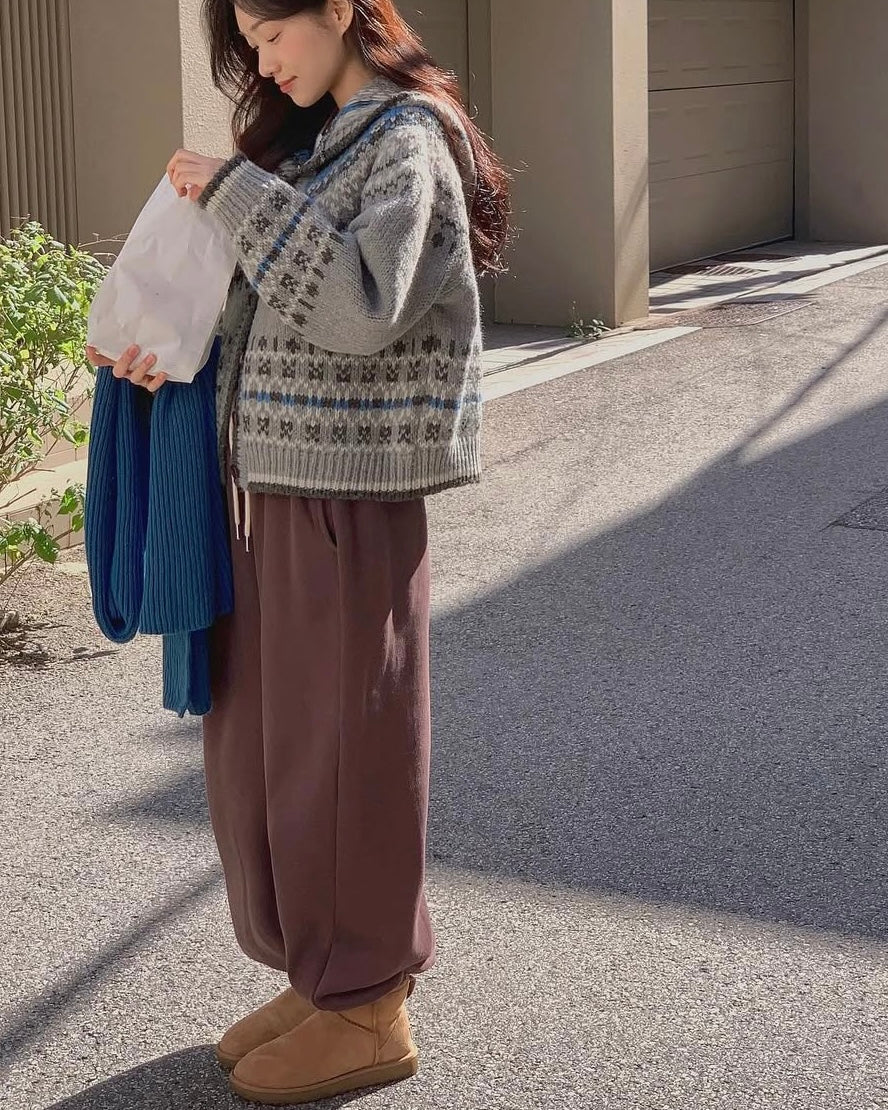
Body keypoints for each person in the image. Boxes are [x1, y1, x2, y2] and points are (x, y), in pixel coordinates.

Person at [88, 0, 510, 1103]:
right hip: (274, 488)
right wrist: (164, 347)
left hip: (348, 499)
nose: (262, 61)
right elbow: (276, 312)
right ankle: (324, 976)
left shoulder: (406, 136)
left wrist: (236, 191)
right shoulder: (324, 142)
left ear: (339, 9)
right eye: (249, 43)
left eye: (272, 34)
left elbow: (362, 306)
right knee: (268, 750)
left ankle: (368, 1001)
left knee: (343, 752)